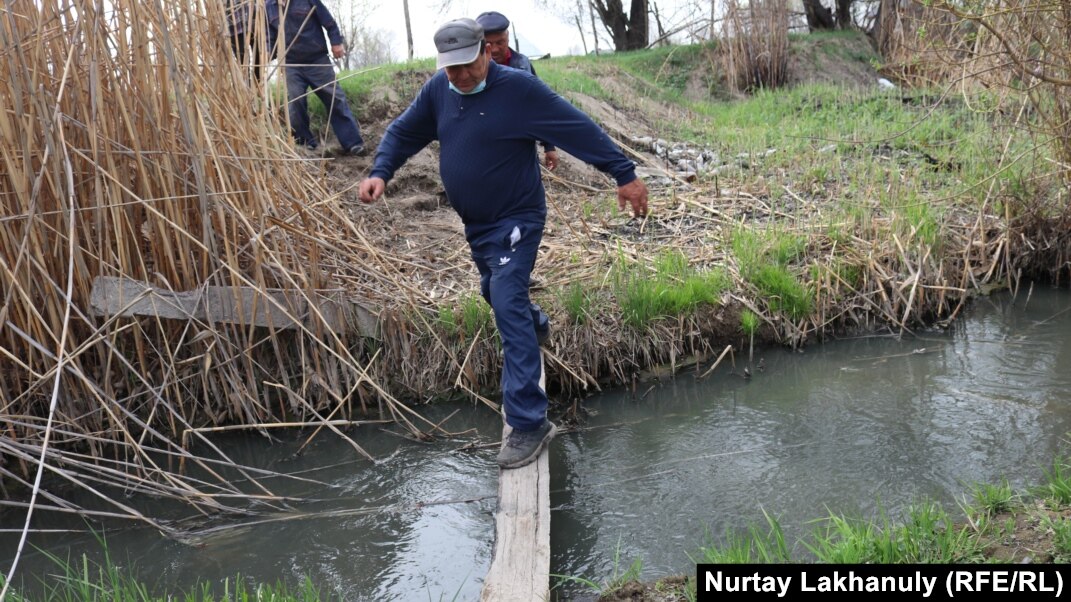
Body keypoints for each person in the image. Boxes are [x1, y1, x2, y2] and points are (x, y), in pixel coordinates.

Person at [358, 18, 649, 469]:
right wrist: (380, 170)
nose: (460, 76)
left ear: (486, 52)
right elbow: (404, 131)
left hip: (517, 219)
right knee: (494, 291)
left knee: (507, 297)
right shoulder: (439, 90)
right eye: (451, 68)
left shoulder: (518, 90)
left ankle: (530, 422)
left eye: (467, 65)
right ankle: (534, 326)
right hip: (478, 225)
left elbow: (576, 127)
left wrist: (624, 173)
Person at [266, 0, 365, 155]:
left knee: (334, 98)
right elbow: (270, 39)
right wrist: (265, 55)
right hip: (291, 64)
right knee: (295, 101)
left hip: (317, 60)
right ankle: (306, 143)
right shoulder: (268, 7)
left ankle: (352, 142)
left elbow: (329, 22)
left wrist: (336, 42)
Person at [475, 10, 559, 172]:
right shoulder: (469, 72)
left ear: (508, 36)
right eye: (489, 44)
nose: (496, 49)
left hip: (522, 147)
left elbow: (538, 105)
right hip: (484, 150)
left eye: (501, 42)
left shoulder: (523, 64)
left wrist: (549, 145)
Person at [225, 0, 264, 83]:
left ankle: (257, 84)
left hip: (254, 23)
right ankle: (245, 87)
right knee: (242, 59)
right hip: (235, 26)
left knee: (259, 54)